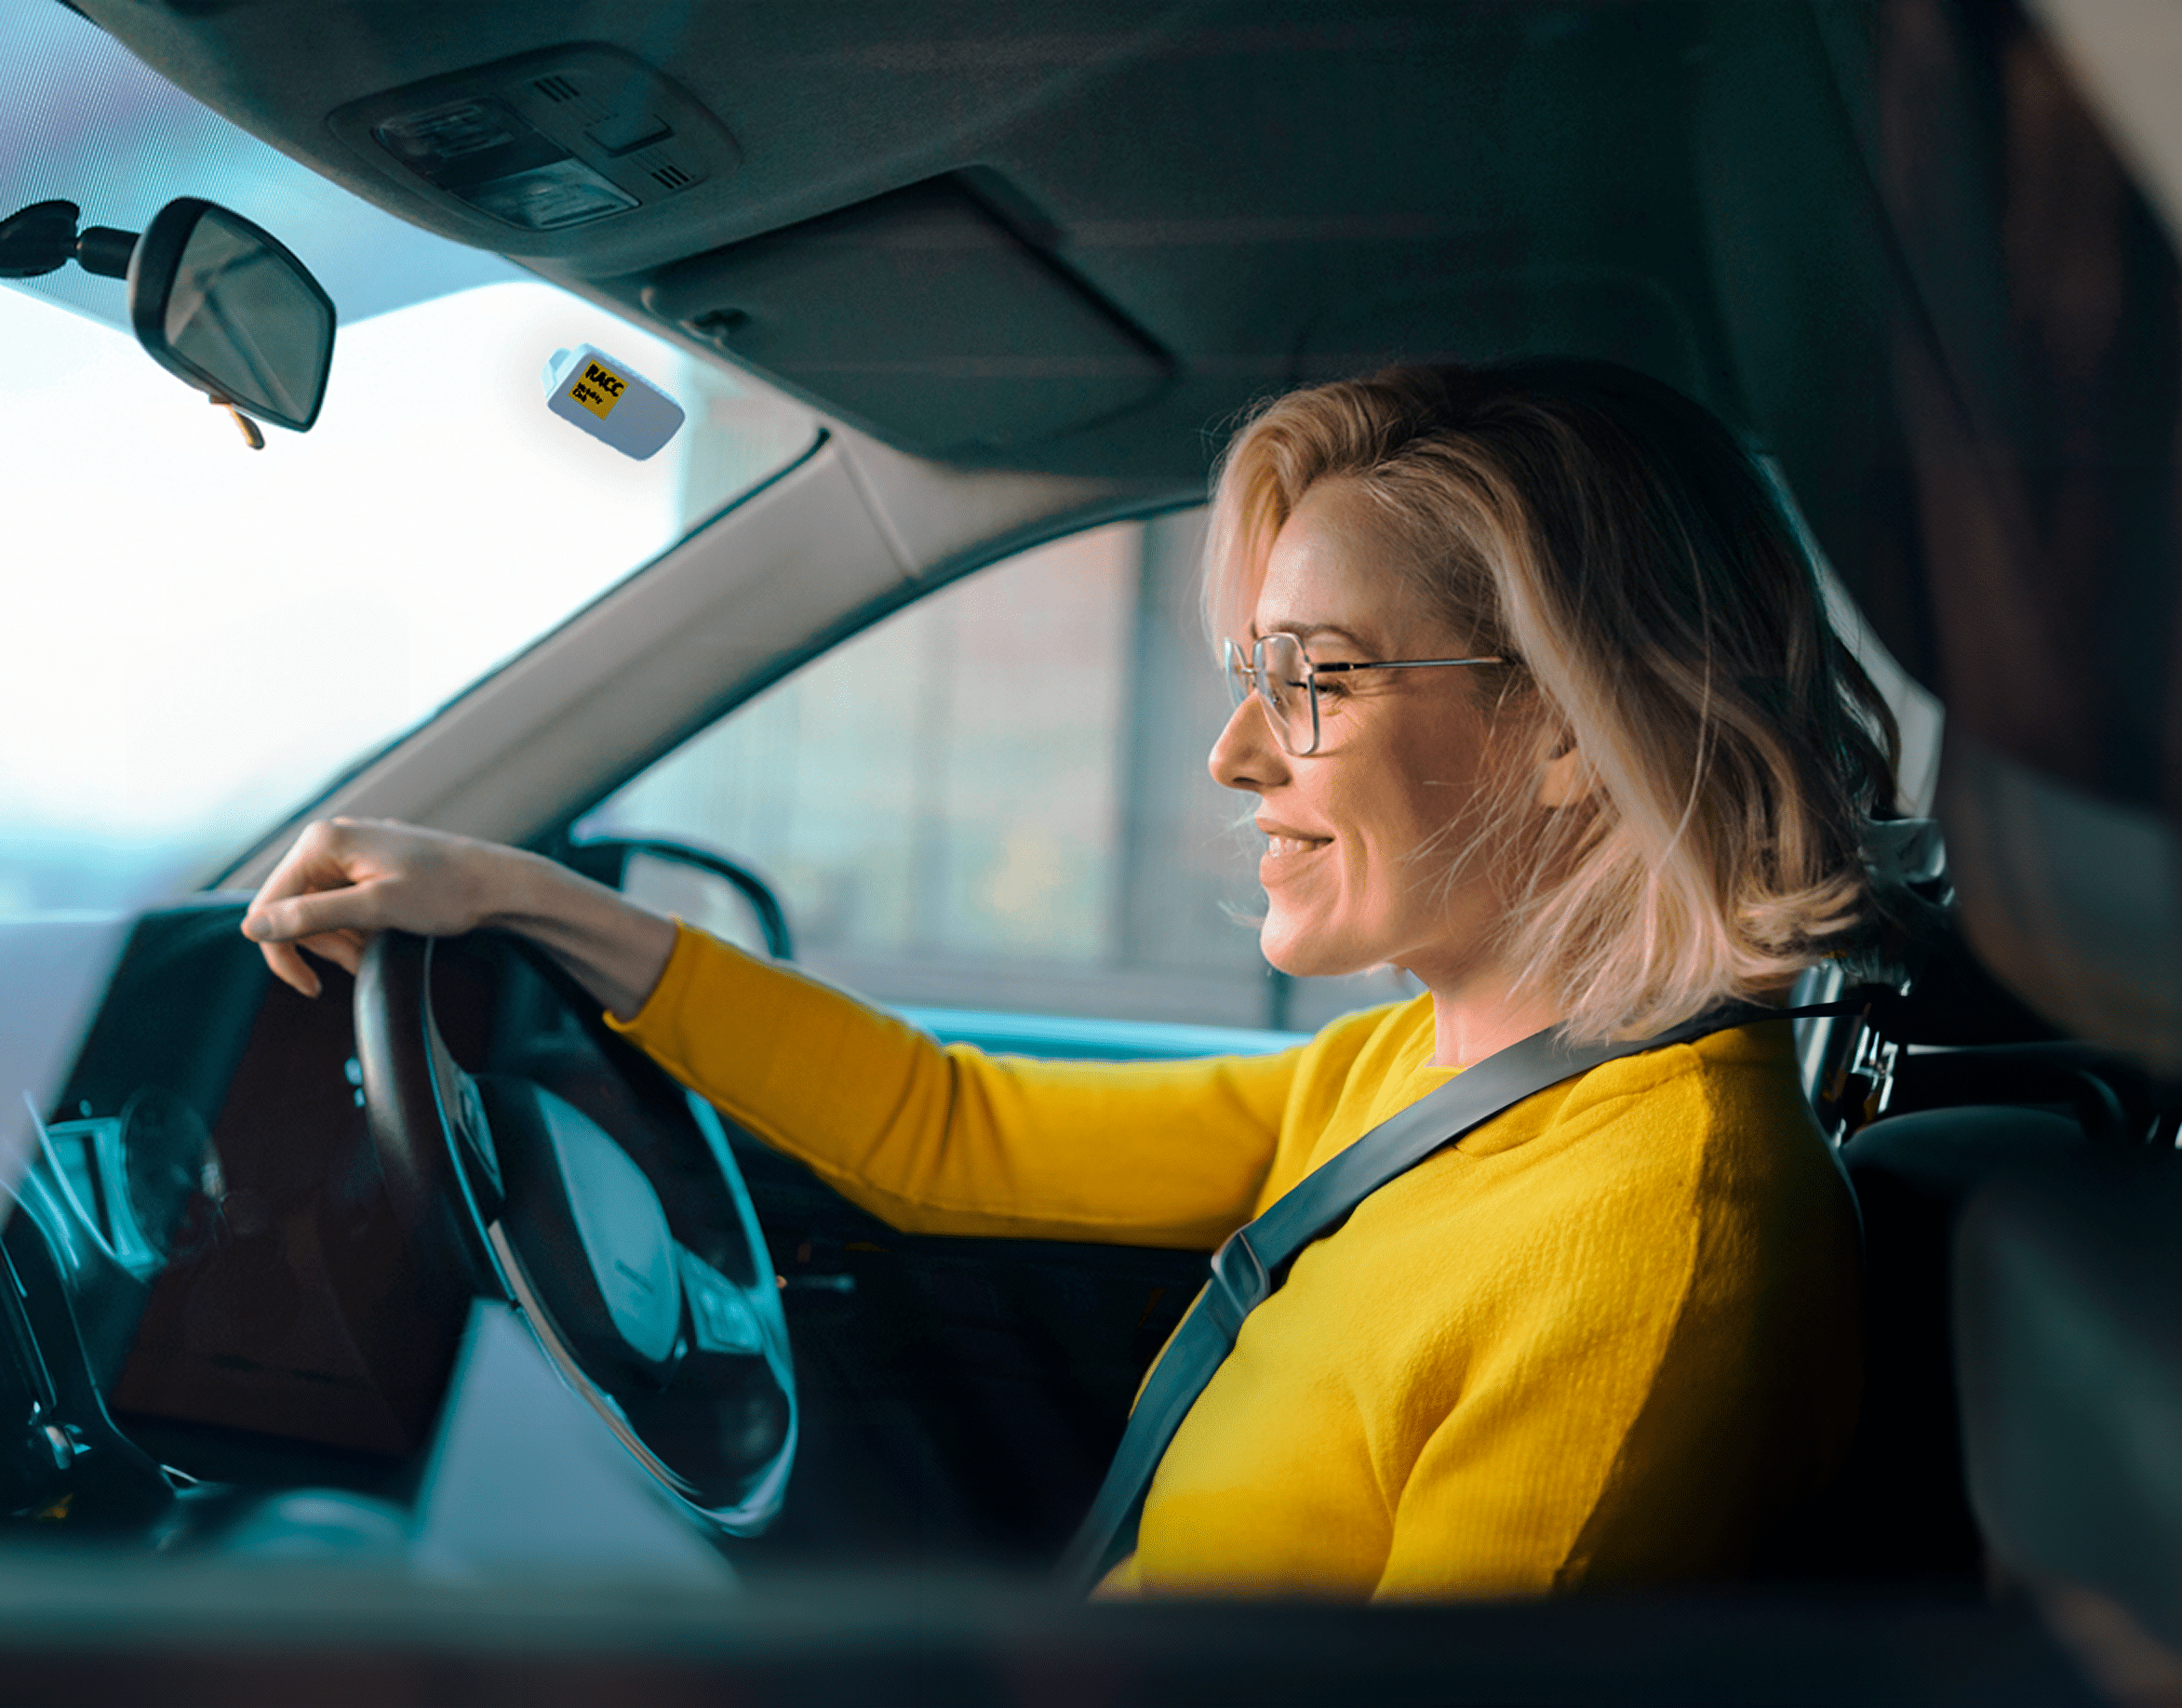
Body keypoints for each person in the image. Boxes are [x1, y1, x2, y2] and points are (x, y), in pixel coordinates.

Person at [242, 361, 1896, 1600]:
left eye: (1311, 681)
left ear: (1564, 727)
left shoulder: (1655, 1257)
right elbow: (951, 1129)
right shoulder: (1420, 1073)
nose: (1235, 750)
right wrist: (528, 899)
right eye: (1252, 675)